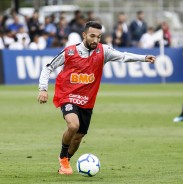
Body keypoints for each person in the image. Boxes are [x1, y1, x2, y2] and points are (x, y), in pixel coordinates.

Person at [37, 21, 155, 175]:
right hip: (68, 95)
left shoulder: (103, 51)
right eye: (92, 36)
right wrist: (43, 89)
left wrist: (144, 58)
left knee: (78, 137)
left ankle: (66, 162)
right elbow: (49, 67)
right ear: (84, 35)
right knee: (73, 126)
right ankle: (62, 158)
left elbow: (124, 56)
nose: (95, 40)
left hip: (87, 100)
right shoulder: (70, 52)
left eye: (99, 37)